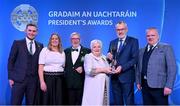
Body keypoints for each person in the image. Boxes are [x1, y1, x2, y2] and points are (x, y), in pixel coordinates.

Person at [136, 27, 177, 105]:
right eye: (148, 36)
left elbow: (172, 68)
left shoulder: (166, 48)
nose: (150, 37)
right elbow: (138, 68)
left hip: (160, 87)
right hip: (145, 86)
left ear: (158, 36)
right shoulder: (141, 50)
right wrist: (138, 81)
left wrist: (169, 86)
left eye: (153, 35)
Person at [8, 23, 43, 105]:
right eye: (29, 30)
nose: (31, 33)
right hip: (18, 80)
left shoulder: (40, 45)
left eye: (34, 31)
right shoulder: (17, 43)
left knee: (31, 103)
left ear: (37, 32)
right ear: (25, 31)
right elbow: (11, 61)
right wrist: (10, 77)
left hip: (33, 81)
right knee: (15, 103)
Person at [107, 21, 139, 105]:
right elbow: (111, 59)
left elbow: (134, 59)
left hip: (127, 76)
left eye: (122, 29)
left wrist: (122, 67)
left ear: (126, 29)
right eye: (118, 29)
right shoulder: (112, 42)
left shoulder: (133, 41)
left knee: (129, 102)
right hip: (114, 77)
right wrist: (109, 58)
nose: (120, 31)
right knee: (117, 102)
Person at [82, 39, 113, 105]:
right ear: (91, 48)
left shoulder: (104, 57)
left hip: (104, 87)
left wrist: (112, 62)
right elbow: (89, 71)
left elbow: (109, 69)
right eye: (94, 47)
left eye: (99, 47)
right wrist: (103, 70)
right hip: (93, 88)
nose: (97, 48)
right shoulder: (88, 57)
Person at [38, 33, 65, 105]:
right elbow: (40, 67)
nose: (54, 40)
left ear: (59, 41)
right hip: (47, 79)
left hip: (60, 80)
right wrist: (42, 82)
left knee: (58, 101)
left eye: (56, 39)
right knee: (47, 101)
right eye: (52, 39)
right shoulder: (45, 50)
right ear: (50, 40)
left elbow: (64, 66)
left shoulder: (62, 52)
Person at [64, 32, 91, 105]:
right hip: (68, 84)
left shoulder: (87, 51)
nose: (75, 40)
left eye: (77, 38)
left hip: (82, 83)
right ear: (70, 40)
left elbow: (92, 65)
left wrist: (83, 68)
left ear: (80, 40)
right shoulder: (65, 51)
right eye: (73, 39)